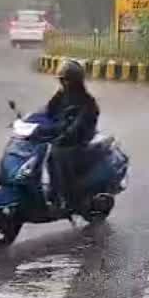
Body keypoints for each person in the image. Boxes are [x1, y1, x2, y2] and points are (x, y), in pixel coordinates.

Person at [46, 59, 99, 214]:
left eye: (66, 80)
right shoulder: (62, 95)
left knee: (59, 155)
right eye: (61, 80)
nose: (63, 83)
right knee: (47, 154)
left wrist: (67, 134)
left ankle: (70, 198)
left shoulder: (86, 101)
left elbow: (80, 123)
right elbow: (48, 111)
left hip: (80, 138)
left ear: (75, 81)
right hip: (64, 134)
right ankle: (53, 192)